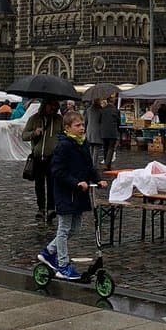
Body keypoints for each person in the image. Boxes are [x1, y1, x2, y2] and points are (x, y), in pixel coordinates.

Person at [37, 110, 102, 280]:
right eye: (77, 125)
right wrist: (75, 182)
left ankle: (48, 252)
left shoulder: (83, 144)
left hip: (79, 194)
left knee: (75, 229)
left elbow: (89, 166)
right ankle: (63, 265)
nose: (82, 128)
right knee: (64, 229)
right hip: (66, 194)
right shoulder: (64, 145)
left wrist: (98, 179)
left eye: (82, 125)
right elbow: (57, 171)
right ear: (67, 128)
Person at [22, 99, 65, 219]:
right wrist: (34, 133)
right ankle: (41, 208)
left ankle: (51, 208)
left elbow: (64, 135)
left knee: (52, 184)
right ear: (44, 105)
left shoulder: (59, 120)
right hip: (38, 157)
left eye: (54, 106)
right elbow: (24, 135)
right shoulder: (34, 119)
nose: (51, 108)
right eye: (49, 105)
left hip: (53, 157)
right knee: (39, 185)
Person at [98, 96, 121, 170]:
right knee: (111, 148)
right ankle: (107, 164)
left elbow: (99, 120)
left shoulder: (102, 110)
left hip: (104, 132)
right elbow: (118, 122)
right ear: (113, 102)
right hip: (112, 132)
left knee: (105, 148)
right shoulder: (116, 110)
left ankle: (106, 163)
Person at [85, 98, 105, 170]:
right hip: (97, 131)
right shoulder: (100, 110)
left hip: (89, 130)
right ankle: (93, 165)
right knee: (96, 149)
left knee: (90, 148)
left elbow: (86, 121)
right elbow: (101, 121)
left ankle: (89, 164)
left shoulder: (88, 110)